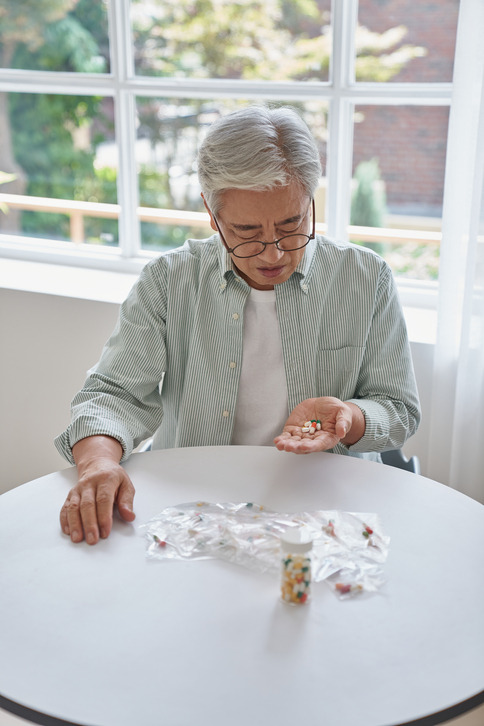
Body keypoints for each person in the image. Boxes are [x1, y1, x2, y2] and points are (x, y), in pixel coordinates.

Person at [55, 105, 420, 545]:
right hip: (192, 508)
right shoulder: (170, 280)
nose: (273, 254)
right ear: (212, 213)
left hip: (324, 507)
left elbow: (398, 408)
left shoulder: (365, 278)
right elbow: (113, 394)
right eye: (247, 232)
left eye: (292, 225)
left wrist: (351, 417)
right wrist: (98, 463)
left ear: (311, 201)